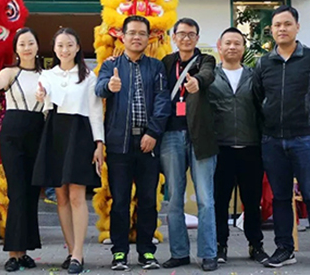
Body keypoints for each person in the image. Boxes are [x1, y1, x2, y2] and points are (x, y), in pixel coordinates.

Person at [252, 6, 310, 270]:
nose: (282, 29)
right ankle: (284, 249)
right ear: (271, 29)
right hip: (273, 141)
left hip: (305, 139)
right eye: (277, 25)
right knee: (280, 197)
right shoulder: (263, 63)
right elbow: (256, 98)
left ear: (297, 27)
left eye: (287, 24)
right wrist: (265, 128)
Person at [96, 15, 170, 271]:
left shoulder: (156, 66)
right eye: (132, 33)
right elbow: (98, 89)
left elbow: (163, 101)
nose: (137, 37)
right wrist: (110, 86)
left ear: (148, 37)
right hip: (120, 144)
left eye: (142, 33)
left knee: (148, 200)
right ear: (123, 36)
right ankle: (119, 252)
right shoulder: (111, 65)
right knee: (120, 201)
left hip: (148, 142)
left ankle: (147, 251)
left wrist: (153, 132)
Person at [32, 28, 104, 275]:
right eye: (60, 45)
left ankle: (79, 254)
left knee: (76, 195)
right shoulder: (47, 75)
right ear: (54, 48)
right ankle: (71, 250)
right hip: (55, 133)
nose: (65, 50)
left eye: (70, 45)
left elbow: (96, 112)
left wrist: (99, 143)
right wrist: (41, 95)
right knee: (60, 195)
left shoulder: (89, 77)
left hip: (80, 134)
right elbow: (42, 97)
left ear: (77, 47)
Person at [0, 28, 44, 272]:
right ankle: (13, 254)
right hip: (13, 134)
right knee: (17, 192)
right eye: (22, 44)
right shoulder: (10, 72)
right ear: (16, 49)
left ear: (37, 46)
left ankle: (25, 251)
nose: (27, 48)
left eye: (30, 43)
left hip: (39, 133)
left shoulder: (46, 75)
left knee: (31, 193)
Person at [159, 18, 218, 271]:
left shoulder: (206, 60)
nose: (186, 38)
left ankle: (208, 254)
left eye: (191, 34)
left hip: (200, 136)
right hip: (171, 135)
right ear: (174, 37)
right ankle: (179, 252)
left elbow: (207, 75)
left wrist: (197, 82)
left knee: (206, 198)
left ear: (197, 38)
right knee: (174, 198)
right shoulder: (166, 63)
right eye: (181, 34)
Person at [210, 28, 267, 266]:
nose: (232, 47)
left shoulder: (255, 76)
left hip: (250, 147)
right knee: (219, 201)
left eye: (237, 43)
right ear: (219, 46)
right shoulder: (209, 76)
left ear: (243, 48)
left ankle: (256, 245)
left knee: (252, 201)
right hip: (220, 148)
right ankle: (219, 244)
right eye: (228, 43)